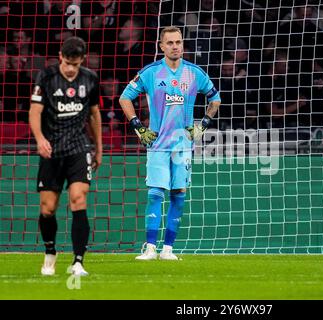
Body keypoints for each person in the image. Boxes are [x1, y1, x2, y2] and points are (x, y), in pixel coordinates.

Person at [119, 26, 221, 260]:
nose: (175, 46)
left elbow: (215, 99)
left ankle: (168, 249)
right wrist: (138, 127)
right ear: (161, 46)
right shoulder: (151, 72)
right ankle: (150, 248)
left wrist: (202, 126)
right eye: (170, 43)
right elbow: (125, 98)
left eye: (178, 42)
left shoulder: (194, 73)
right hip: (157, 144)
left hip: (183, 146)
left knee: (179, 194)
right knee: (155, 194)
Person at [29, 37, 102, 276]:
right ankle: (50, 251)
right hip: (51, 149)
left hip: (78, 148)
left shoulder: (90, 79)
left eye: (76, 63)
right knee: (48, 208)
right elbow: (35, 111)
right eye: (67, 62)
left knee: (79, 199)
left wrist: (98, 147)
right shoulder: (47, 77)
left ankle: (78, 261)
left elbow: (93, 114)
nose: (71, 68)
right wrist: (40, 139)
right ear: (61, 56)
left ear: (82, 59)